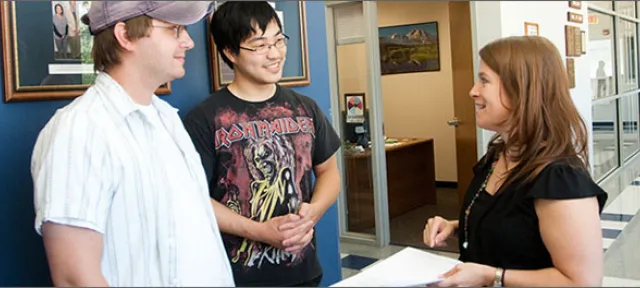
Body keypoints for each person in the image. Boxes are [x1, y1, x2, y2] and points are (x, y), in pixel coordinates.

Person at [31, 2, 235, 287]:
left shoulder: (167, 119)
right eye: (174, 29)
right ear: (125, 35)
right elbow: (74, 278)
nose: (188, 42)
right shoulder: (80, 129)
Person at [423, 36, 608, 287]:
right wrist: (455, 227)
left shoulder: (560, 178)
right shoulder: (498, 155)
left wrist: (491, 276)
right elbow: (515, 226)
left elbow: (582, 282)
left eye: (484, 81)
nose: (473, 91)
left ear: (521, 90)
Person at [183, 1, 342, 287]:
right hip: (235, 277)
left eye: (279, 40)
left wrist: (313, 212)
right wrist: (259, 231)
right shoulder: (205, 119)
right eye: (259, 45)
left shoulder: (307, 109)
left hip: (303, 271)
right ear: (229, 52)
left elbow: (329, 172)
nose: (275, 53)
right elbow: (193, 199)